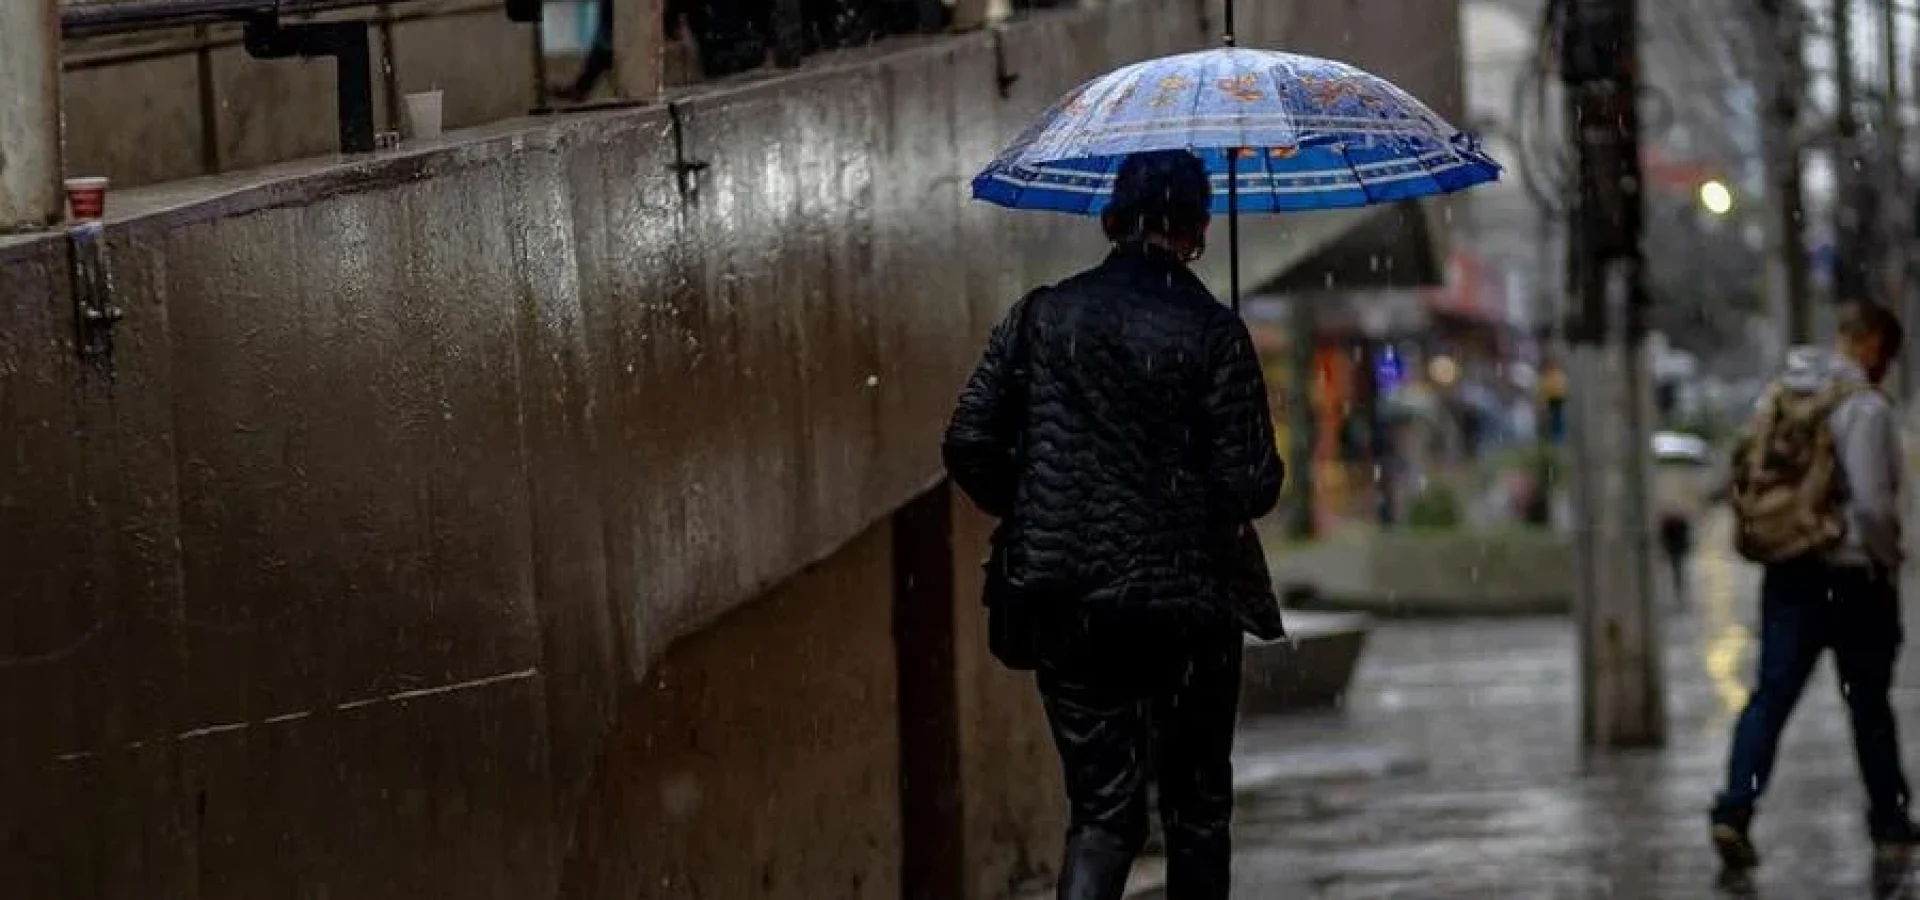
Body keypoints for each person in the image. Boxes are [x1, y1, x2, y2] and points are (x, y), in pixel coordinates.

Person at [942, 149, 1286, 900]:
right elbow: (1253, 486)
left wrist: (1040, 510)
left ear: (1112, 219)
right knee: (1197, 809)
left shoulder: (1042, 317)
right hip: (1188, 608)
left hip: (1070, 603)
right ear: (1197, 230)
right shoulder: (1214, 332)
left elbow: (967, 440)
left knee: (1102, 812)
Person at [1712, 300, 1917, 870]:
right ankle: (1889, 821)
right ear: (1870, 342)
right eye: (1887, 353)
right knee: (1869, 704)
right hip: (1852, 575)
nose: (1885, 366)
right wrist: (1889, 558)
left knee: (1771, 698)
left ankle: (1734, 809)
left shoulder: (1780, 395)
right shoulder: (1864, 407)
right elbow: (1872, 505)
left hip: (1790, 570)